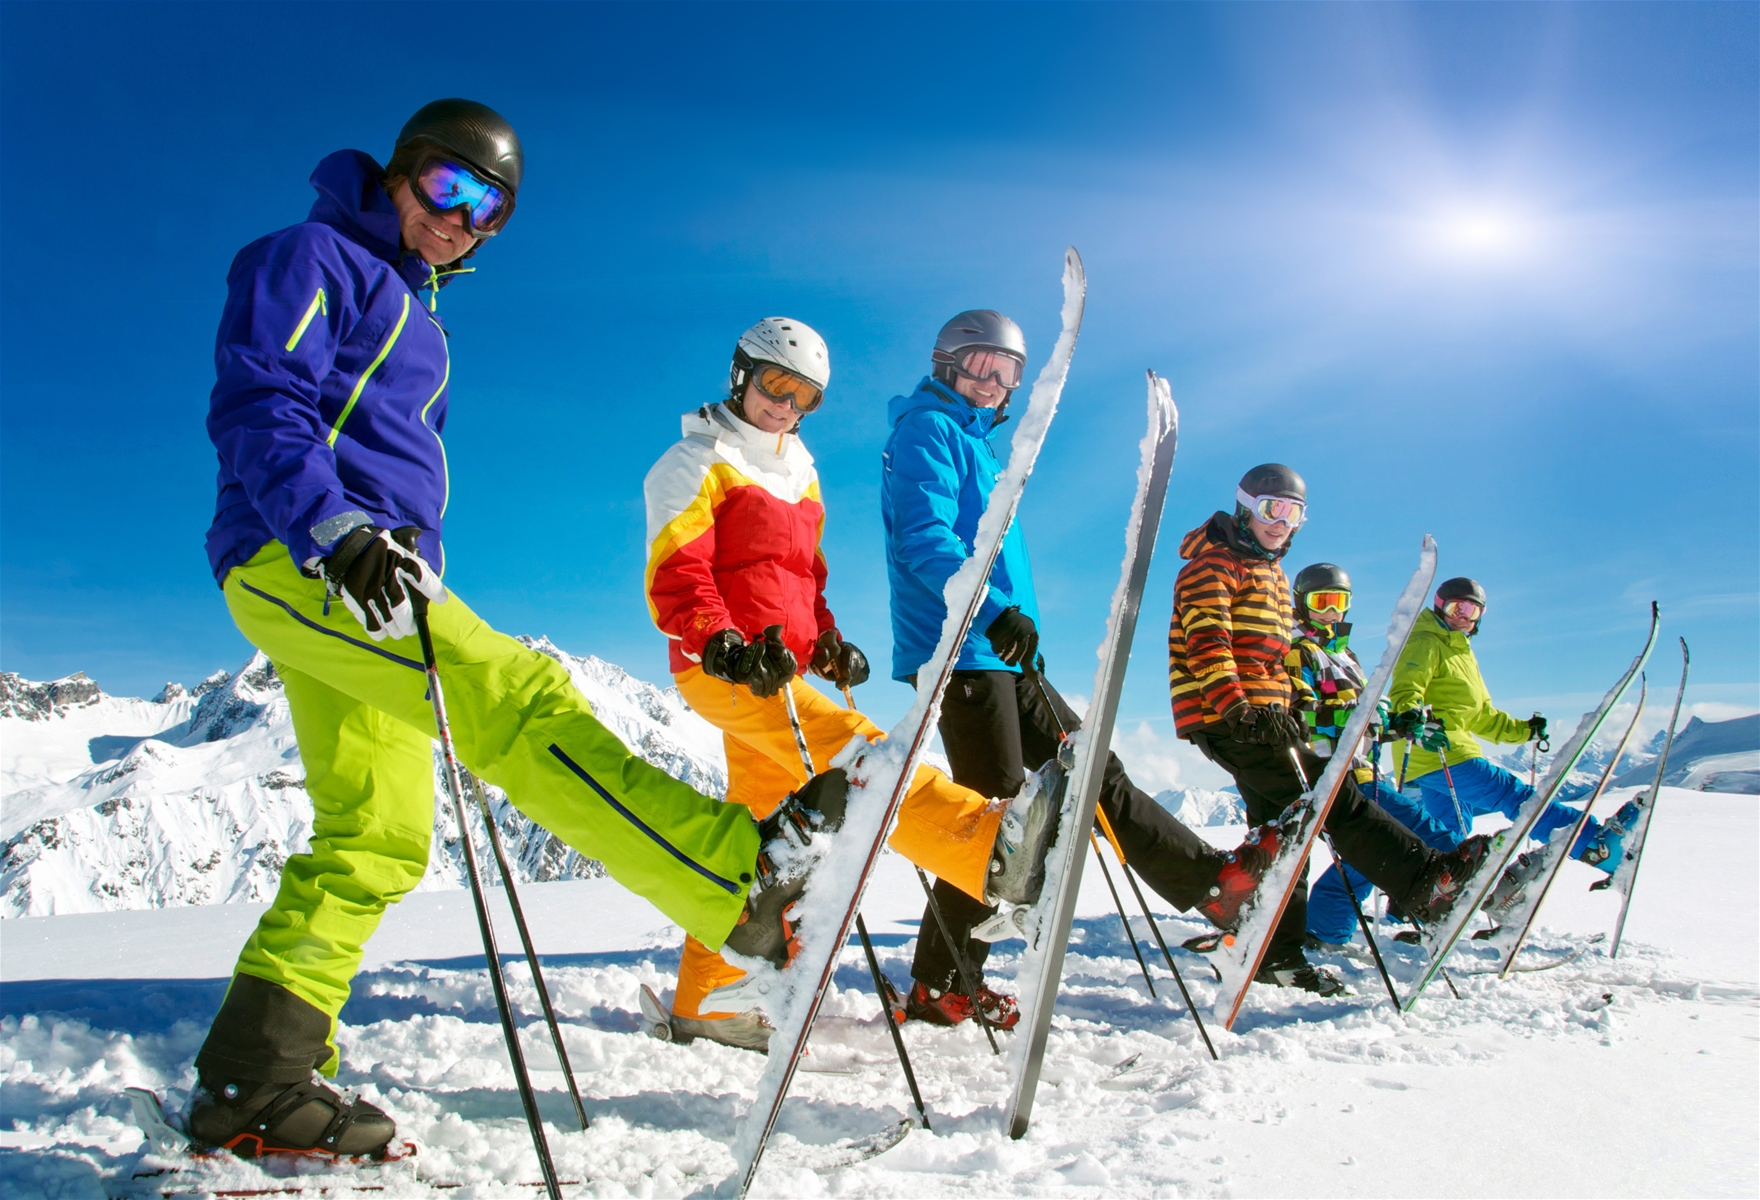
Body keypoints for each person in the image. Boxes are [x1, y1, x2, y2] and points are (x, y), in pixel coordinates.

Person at [191, 100, 822, 1156]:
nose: (461, 219)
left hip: (366, 574)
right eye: (448, 188)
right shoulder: (311, 256)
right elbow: (262, 399)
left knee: (376, 838)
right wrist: (336, 530)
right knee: (520, 702)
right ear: (401, 169)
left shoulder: (416, 311)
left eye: (489, 211)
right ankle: (730, 875)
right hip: (302, 558)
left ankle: (256, 1081)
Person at [642, 317, 1013, 1049]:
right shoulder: (694, 462)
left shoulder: (799, 471)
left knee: (754, 845)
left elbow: (804, 578)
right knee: (862, 759)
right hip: (727, 671)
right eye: (776, 384)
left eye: (805, 395)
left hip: (780, 673)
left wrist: (827, 641)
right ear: (740, 374)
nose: (786, 405)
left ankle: (706, 1001)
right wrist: (722, 643)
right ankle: (990, 849)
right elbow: (679, 574)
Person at [880, 310, 1257, 1027]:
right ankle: (940, 984)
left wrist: (1013, 628)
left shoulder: (975, 442)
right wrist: (994, 615)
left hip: (1001, 651)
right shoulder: (927, 431)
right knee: (997, 828)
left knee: (1090, 769)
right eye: (979, 366)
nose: (992, 383)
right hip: (962, 652)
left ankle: (1213, 886)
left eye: (1007, 372)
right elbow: (925, 545)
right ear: (946, 365)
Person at [1167, 465, 1489, 993]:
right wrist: (1237, 708)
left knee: (1284, 832)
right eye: (1272, 508)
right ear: (1245, 506)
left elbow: (1272, 663)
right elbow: (1208, 644)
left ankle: (1275, 950)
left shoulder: (1266, 570)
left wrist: (1288, 708)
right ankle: (1423, 881)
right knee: (1332, 801)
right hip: (1229, 716)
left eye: (1293, 513)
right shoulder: (1214, 565)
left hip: (1265, 718)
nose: (1281, 521)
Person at [1385, 577, 1637, 918]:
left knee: (1448, 840)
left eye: (1471, 609)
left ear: (1480, 616)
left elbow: (1483, 717)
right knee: (1518, 799)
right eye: (1454, 606)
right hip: (1441, 751)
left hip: (1440, 757)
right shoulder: (1426, 641)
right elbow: (1406, 686)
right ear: (1438, 605)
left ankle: (1417, 908)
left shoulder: (1461, 652)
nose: (1462, 615)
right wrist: (1412, 714)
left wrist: (1525, 731)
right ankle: (1594, 844)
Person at [1282, 564, 1458, 949]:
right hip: (1333, 773)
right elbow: (1299, 715)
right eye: (1322, 602)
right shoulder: (1298, 652)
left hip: (1362, 771)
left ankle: (1325, 928)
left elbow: (1368, 723)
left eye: (1339, 602)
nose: (1332, 612)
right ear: (1302, 604)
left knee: (1371, 854)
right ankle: (1430, 909)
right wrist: (1354, 715)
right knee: (1433, 838)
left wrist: (1403, 724)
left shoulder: (1348, 658)